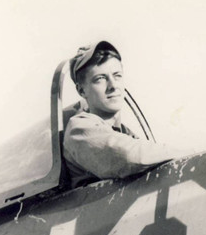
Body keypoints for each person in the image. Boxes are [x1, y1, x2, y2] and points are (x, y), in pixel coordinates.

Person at [63, 40, 186, 188]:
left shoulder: (125, 133)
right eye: (100, 79)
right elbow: (130, 156)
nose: (113, 86)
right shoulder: (79, 128)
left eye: (117, 76)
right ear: (82, 91)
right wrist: (188, 153)